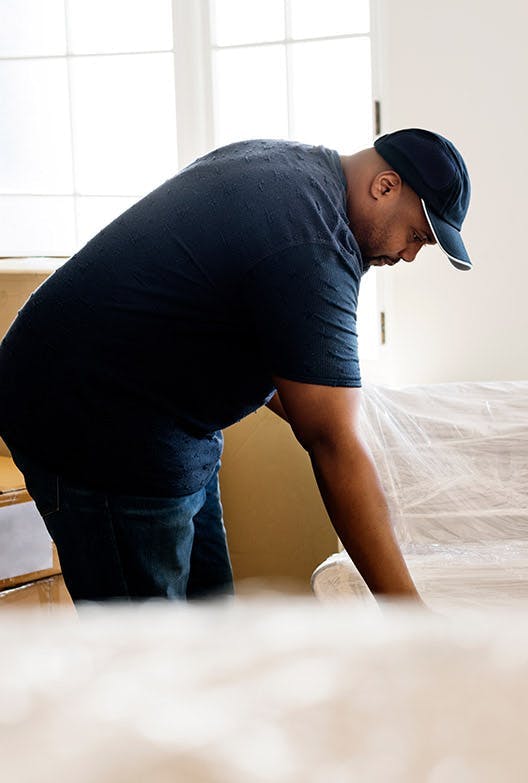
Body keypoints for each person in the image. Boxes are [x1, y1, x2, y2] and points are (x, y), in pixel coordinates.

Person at [0, 128, 472, 603]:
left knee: (215, 623)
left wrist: (353, 428)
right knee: (148, 650)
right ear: (385, 186)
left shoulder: (296, 172)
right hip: (95, 421)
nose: (410, 255)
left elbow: (270, 344)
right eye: (416, 236)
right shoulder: (310, 241)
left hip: (168, 417)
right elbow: (329, 441)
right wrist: (409, 616)